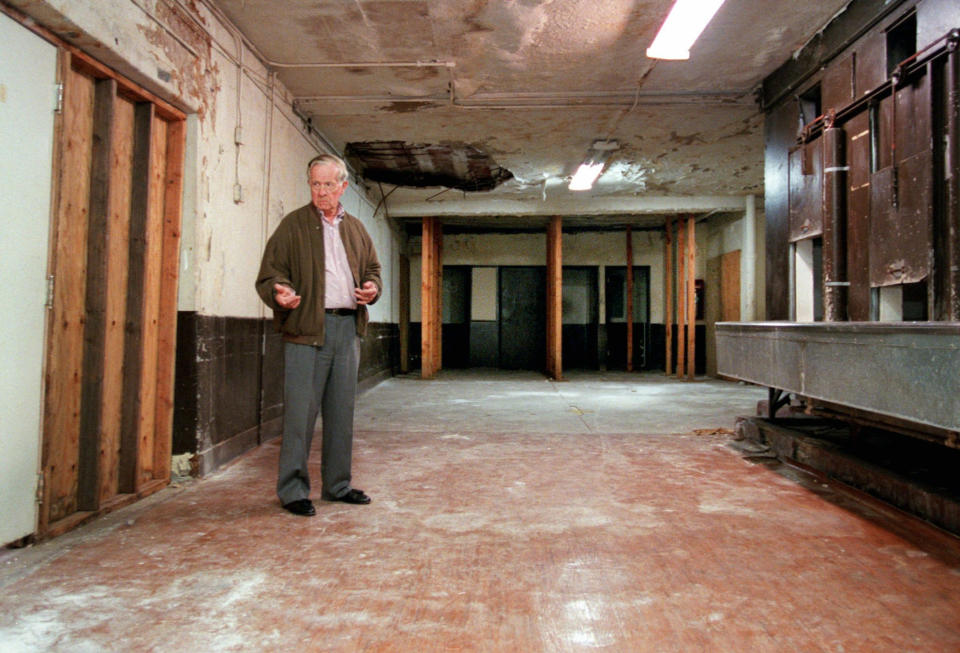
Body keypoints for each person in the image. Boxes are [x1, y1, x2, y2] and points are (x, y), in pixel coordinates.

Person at [255, 153, 382, 516]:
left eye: (329, 184)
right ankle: (293, 490)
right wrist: (279, 290)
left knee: (342, 412)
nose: (322, 192)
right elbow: (269, 274)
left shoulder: (355, 227)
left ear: (343, 187)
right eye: (315, 184)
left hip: (347, 328)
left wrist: (372, 286)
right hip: (307, 330)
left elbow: (373, 268)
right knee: (300, 414)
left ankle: (337, 485)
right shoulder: (292, 226)